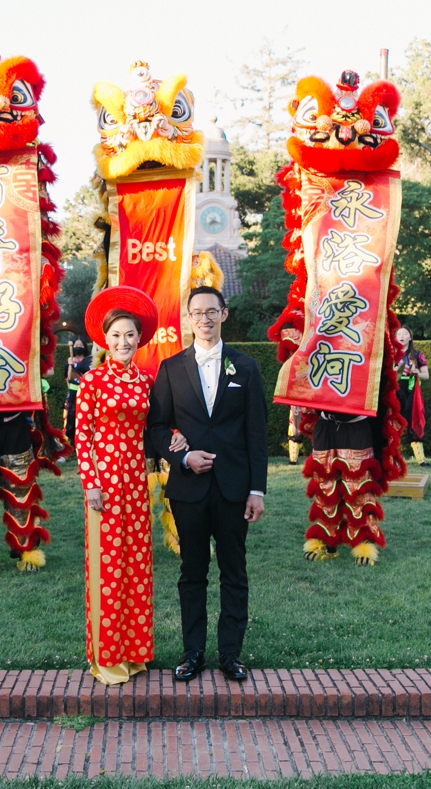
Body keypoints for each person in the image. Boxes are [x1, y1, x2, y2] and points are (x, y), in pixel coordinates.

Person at [147, 286, 267, 683]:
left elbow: (256, 433)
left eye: (211, 311)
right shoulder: (171, 368)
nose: (204, 318)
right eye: (197, 312)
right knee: (192, 571)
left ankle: (230, 654)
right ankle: (193, 652)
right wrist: (182, 456)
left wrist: (257, 490)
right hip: (188, 489)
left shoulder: (245, 368)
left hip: (235, 489)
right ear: (188, 317)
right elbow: (157, 428)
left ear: (224, 314)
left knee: (234, 571)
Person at [74, 286, 185, 685]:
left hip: (136, 482)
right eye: (116, 335)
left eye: (130, 335)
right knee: (107, 570)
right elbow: (81, 437)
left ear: (140, 339)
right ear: (105, 339)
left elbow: (158, 426)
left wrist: (177, 437)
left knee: (136, 566)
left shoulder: (146, 381)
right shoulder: (92, 382)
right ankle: (107, 658)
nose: (123, 342)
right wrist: (91, 484)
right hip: (104, 483)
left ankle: (135, 652)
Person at [394, 327, 429, 467]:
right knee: (393, 425)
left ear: (410, 337)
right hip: (394, 393)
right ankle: (392, 459)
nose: (402, 336)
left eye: (405, 334)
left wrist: (416, 372)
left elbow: (426, 375)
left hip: (411, 394)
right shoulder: (390, 354)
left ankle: (421, 459)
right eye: (399, 334)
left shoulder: (417, 355)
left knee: (415, 423)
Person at [65, 340, 91, 443]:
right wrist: (70, 365)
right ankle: (71, 442)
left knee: (85, 418)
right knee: (71, 418)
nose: (78, 347)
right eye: (76, 345)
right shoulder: (69, 361)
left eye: (80, 345)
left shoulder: (89, 360)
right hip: (73, 394)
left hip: (86, 394)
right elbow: (69, 378)